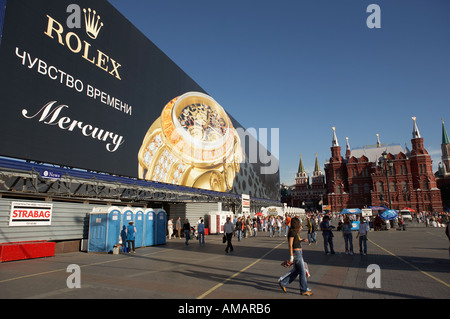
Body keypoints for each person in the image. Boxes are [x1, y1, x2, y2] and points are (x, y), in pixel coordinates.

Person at [278, 217, 312, 296]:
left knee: (297, 271)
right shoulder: (292, 232)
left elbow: (296, 241)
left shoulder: (295, 232)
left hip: (299, 252)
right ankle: (303, 289)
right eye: (299, 222)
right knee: (302, 271)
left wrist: (302, 240)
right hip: (296, 253)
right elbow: (290, 244)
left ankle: (283, 283)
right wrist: (291, 256)